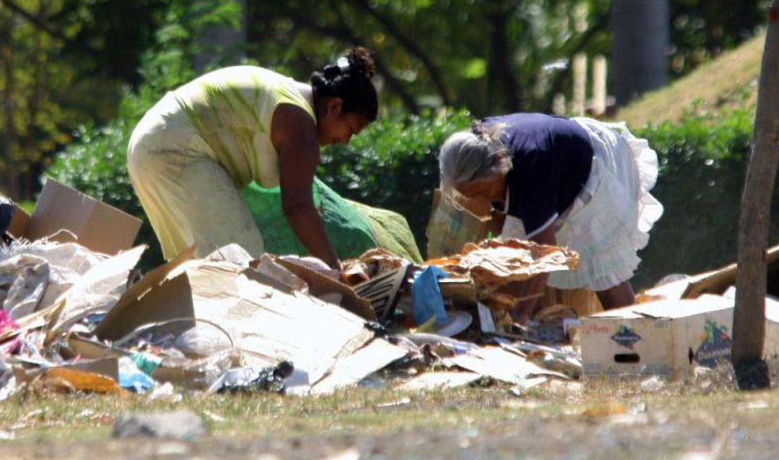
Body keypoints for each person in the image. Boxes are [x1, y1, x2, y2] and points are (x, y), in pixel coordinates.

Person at [127, 49, 379, 268]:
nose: (346, 141)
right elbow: (297, 207)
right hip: (174, 148)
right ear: (334, 106)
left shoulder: (289, 95)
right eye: (350, 130)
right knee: (241, 263)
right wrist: (335, 271)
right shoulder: (300, 124)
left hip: (148, 143)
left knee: (203, 267)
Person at [438, 113, 663, 319]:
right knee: (511, 258)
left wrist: (520, 317)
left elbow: (546, 257)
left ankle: (634, 339)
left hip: (594, 166)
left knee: (602, 269)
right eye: (471, 195)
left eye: (484, 192)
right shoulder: (479, 142)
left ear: (499, 168)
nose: (482, 200)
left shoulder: (530, 174)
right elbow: (498, 223)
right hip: (554, 158)